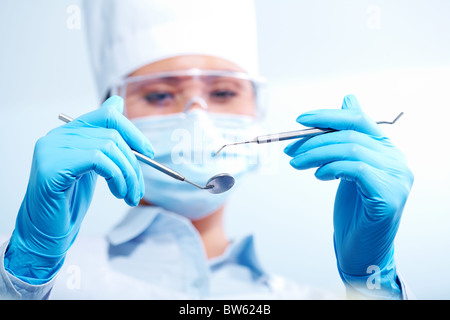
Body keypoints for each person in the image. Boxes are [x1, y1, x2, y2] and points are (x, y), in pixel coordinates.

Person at [0, 0, 414, 300]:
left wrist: (371, 283)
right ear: (113, 116)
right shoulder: (32, 276)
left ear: (256, 109)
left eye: (221, 91)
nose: (196, 119)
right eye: (161, 95)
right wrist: (27, 272)